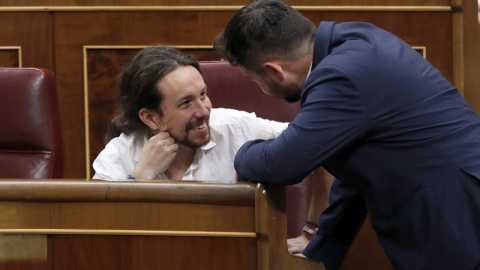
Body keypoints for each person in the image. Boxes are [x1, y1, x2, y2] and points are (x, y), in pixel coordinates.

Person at [215, 0, 480, 269]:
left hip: (459, 219)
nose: (260, 88)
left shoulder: (340, 76)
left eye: (254, 80)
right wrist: (323, 247)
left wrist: (240, 152)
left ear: (274, 70)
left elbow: (281, 164)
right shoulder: (354, 41)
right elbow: (353, 168)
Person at [92, 45, 288, 181]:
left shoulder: (235, 128)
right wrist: (141, 177)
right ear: (150, 117)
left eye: (203, 94)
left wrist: (310, 226)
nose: (203, 111)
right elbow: (98, 231)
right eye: (186, 103)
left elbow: (313, 140)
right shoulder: (119, 154)